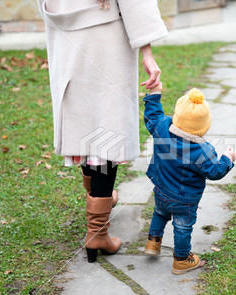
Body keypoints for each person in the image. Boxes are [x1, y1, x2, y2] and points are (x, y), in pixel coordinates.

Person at [37, 0, 169, 263]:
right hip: (106, 39)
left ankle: (100, 201)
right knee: (105, 130)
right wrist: (147, 53)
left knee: (85, 126)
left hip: (66, 40)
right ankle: (98, 231)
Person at [142, 83, 236, 274]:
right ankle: (181, 260)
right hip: (185, 201)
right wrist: (228, 159)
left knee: (160, 213)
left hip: (161, 190)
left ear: (177, 116)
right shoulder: (203, 150)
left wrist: (154, 93)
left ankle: (153, 242)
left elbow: (152, 115)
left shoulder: (162, 128)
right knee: (182, 227)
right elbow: (215, 172)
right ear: (204, 126)